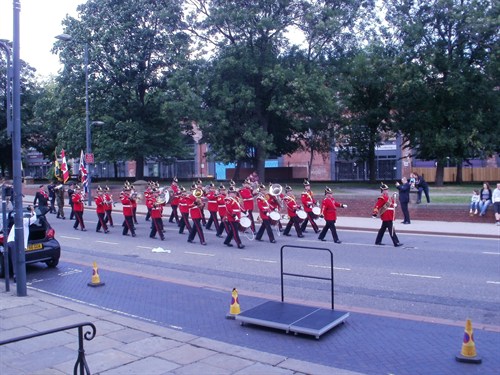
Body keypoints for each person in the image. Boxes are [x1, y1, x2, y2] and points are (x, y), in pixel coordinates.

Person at [7, 206, 36, 281]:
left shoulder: (17, 222)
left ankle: (17, 275)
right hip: (15, 242)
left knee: (15, 259)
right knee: (18, 259)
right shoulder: (24, 221)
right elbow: (34, 219)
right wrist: (33, 210)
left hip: (10, 241)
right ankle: (17, 276)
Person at [372, 182, 403, 247]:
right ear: (382, 191)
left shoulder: (389, 197)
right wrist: (375, 213)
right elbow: (377, 206)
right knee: (391, 229)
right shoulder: (382, 198)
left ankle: (378, 241)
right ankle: (396, 242)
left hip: (390, 215)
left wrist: (395, 205)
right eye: (385, 190)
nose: (387, 191)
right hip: (386, 215)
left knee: (382, 229)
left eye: (387, 189)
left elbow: (392, 204)